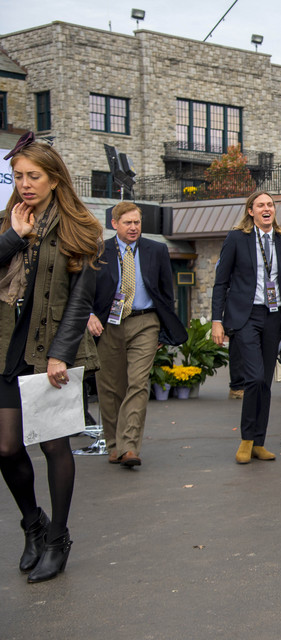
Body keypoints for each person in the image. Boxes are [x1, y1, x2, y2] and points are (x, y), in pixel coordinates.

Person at [0, 132, 102, 582]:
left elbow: (80, 300)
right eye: (19, 176)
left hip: (51, 352)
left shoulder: (80, 227)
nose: (25, 184)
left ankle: (58, 538)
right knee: (5, 447)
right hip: (7, 347)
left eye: (34, 176)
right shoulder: (9, 222)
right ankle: (33, 523)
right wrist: (13, 238)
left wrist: (62, 355)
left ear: (55, 179)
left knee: (54, 445)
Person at [87, 201, 187, 468]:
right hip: (108, 325)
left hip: (145, 322)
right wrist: (89, 315)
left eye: (137, 223)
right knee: (109, 387)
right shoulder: (98, 251)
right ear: (114, 224)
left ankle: (129, 446)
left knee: (138, 383)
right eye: (128, 223)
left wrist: (163, 333)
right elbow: (83, 289)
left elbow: (167, 294)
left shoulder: (157, 250)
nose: (134, 228)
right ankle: (113, 444)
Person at [211, 191, 281, 464]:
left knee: (266, 382)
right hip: (245, 316)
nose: (266, 208)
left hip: (273, 316)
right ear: (251, 211)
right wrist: (216, 320)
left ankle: (259, 441)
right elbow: (221, 282)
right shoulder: (237, 238)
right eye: (261, 205)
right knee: (255, 378)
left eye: (270, 205)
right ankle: (246, 439)